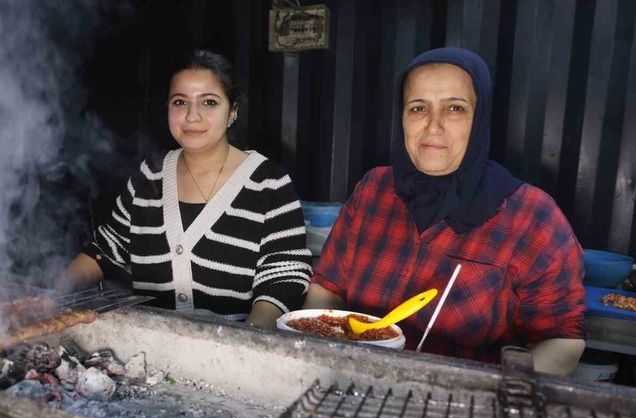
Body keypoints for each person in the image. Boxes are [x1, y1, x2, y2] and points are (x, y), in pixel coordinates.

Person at [304, 47, 586, 375]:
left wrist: (490, 395)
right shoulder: (373, 190)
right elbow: (327, 288)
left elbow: (562, 340)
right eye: (418, 108)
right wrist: (324, 361)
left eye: (455, 109)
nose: (433, 126)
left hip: (462, 409)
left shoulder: (533, 218)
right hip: (356, 384)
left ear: (479, 118)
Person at [60, 50, 312, 326]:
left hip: (235, 357)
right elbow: (105, 251)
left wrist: (244, 345)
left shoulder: (269, 183)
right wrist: (49, 299)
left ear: (233, 111)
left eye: (209, 102)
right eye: (180, 102)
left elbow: (284, 278)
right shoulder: (149, 177)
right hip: (146, 355)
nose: (192, 116)